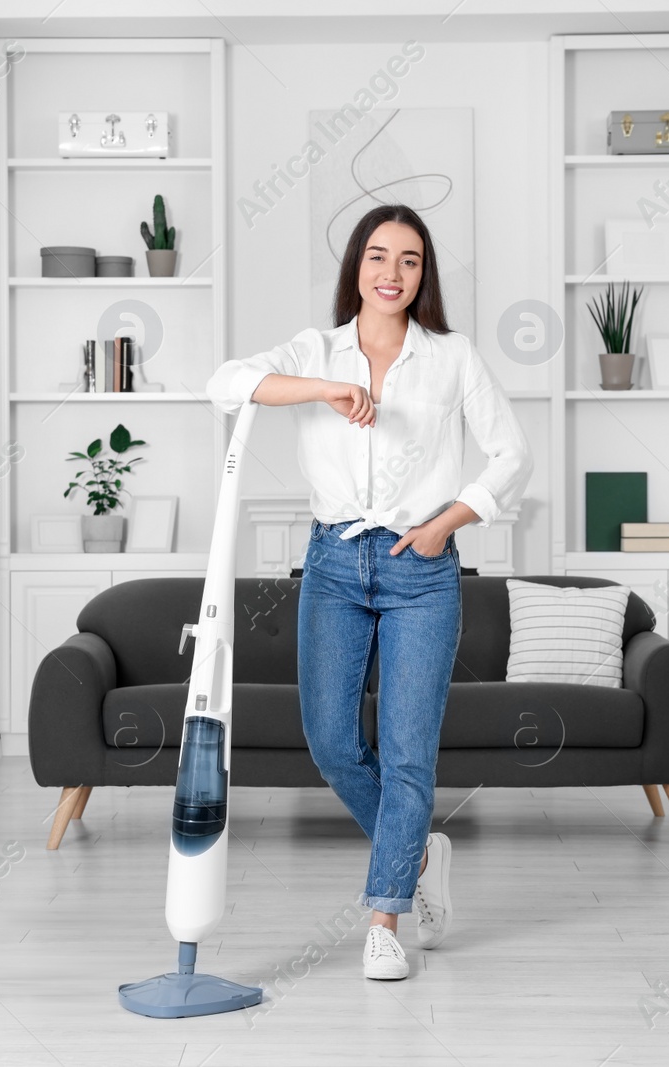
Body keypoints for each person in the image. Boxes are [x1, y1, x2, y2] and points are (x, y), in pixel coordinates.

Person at [205, 203, 533, 980]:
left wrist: (444, 522)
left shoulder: (451, 358)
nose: (392, 273)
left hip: (423, 571)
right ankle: (419, 853)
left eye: (410, 260)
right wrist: (323, 387)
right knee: (331, 741)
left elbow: (512, 453)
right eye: (379, 256)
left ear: (425, 276)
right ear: (356, 266)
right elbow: (224, 384)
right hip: (332, 564)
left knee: (409, 754)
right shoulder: (314, 350)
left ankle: (383, 917)